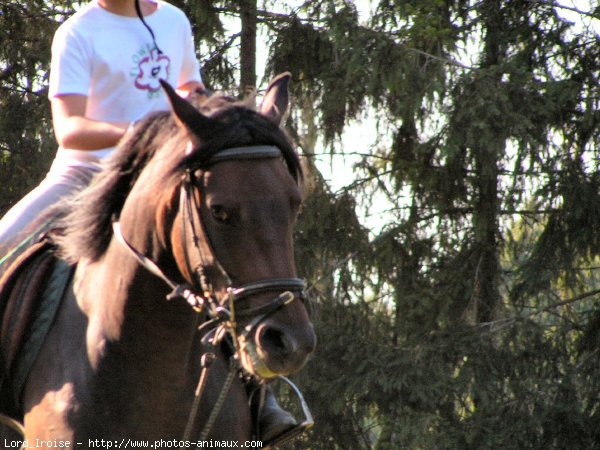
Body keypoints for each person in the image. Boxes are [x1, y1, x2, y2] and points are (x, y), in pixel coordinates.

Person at [0, 0, 295, 441]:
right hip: (84, 174)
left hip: (161, 174)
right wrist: (147, 132)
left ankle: (259, 395)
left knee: (226, 261)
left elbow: (192, 91)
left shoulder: (172, 22)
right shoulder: (78, 33)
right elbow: (70, 129)